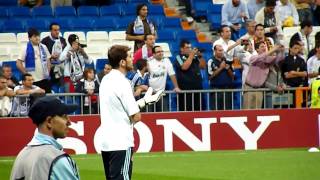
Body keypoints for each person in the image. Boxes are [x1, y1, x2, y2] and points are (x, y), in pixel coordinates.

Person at [97, 45, 164, 180]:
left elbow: (120, 109)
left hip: (106, 143)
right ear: (122, 62)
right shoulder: (123, 82)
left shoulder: (106, 79)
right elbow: (136, 116)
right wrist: (145, 102)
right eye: (129, 56)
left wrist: (143, 102)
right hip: (121, 142)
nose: (132, 59)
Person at [10, 96, 80, 180]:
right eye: (64, 116)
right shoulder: (57, 159)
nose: (69, 122)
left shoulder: (21, 155)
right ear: (49, 121)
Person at [243, 42, 285, 109]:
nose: (264, 48)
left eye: (265, 46)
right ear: (257, 49)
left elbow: (280, 59)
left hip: (260, 89)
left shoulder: (268, 59)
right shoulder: (253, 58)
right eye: (262, 46)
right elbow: (261, 57)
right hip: (249, 88)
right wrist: (273, 49)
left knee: (257, 112)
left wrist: (281, 51)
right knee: (247, 111)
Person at [17, 28, 52, 93]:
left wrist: (48, 72)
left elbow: (48, 61)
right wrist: (26, 74)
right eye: (35, 36)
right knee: (35, 101)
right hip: (33, 81)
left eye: (38, 36)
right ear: (29, 38)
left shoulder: (43, 47)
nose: (37, 38)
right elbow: (18, 63)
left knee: (48, 99)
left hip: (45, 79)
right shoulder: (25, 48)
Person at [175, 40, 206, 111]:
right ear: (181, 49)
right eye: (187, 47)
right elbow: (184, 67)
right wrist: (191, 56)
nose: (190, 49)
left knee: (199, 109)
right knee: (187, 110)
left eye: (190, 47)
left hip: (198, 88)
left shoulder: (195, 57)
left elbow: (203, 66)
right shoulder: (178, 57)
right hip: (185, 89)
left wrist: (200, 57)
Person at [148, 46, 181, 111]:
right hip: (148, 94)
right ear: (153, 54)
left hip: (160, 94)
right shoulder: (148, 62)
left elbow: (172, 74)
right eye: (158, 52)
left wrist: (176, 87)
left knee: (164, 114)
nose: (161, 53)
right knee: (149, 115)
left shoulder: (167, 61)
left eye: (161, 51)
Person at [41, 23, 67, 93]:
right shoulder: (45, 41)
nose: (57, 32)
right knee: (49, 89)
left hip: (61, 68)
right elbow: (41, 54)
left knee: (62, 88)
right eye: (55, 30)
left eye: (58, 30)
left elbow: (66, 52)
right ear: (51, 31)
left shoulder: (62, 40)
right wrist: (51, 56)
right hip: (49, 69)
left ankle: (62, 100)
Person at [208, 44, 234, 110]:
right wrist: (220, 68)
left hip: (227, 89)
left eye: (222, 50)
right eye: (219, 50)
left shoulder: (227, 61)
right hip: (216, 90)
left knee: (228, 111)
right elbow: (210, 77)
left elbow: (233, 77)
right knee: (216, 111)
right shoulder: (211, 61)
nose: (221, 52)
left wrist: (228, 69)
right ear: (215, 51)